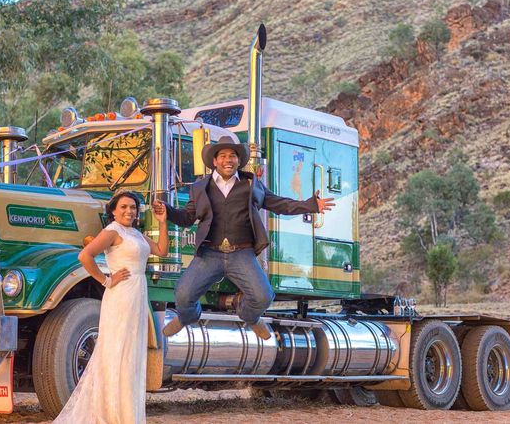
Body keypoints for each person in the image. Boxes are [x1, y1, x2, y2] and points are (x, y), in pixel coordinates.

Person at [152, 136, 334, 340]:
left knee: (263, 296)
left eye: (232, 156)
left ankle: (250, 317)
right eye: (223, 156)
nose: (228, 160)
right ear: (215, 161)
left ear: (239, 161)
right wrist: (168, 211)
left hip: (241, 253)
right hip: (210, 253)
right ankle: (187, 317)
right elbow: (187, 218)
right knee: (183, 295)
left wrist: (310, 205)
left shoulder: (251, 185)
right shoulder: (200, 187)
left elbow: (278, 204)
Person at [54, 191, 168, 424]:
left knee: (132, 353)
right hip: (121, 296)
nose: (129, 211)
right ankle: (112, 414)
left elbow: (161, 251)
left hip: (137, 294)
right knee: (117, 352)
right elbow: (85, 256)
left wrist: (163, 222)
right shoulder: (112, 231)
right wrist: (106, 280)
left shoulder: (135, 233)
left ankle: (128, 414)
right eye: (123, 207)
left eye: (133, 207)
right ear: (113, 211)